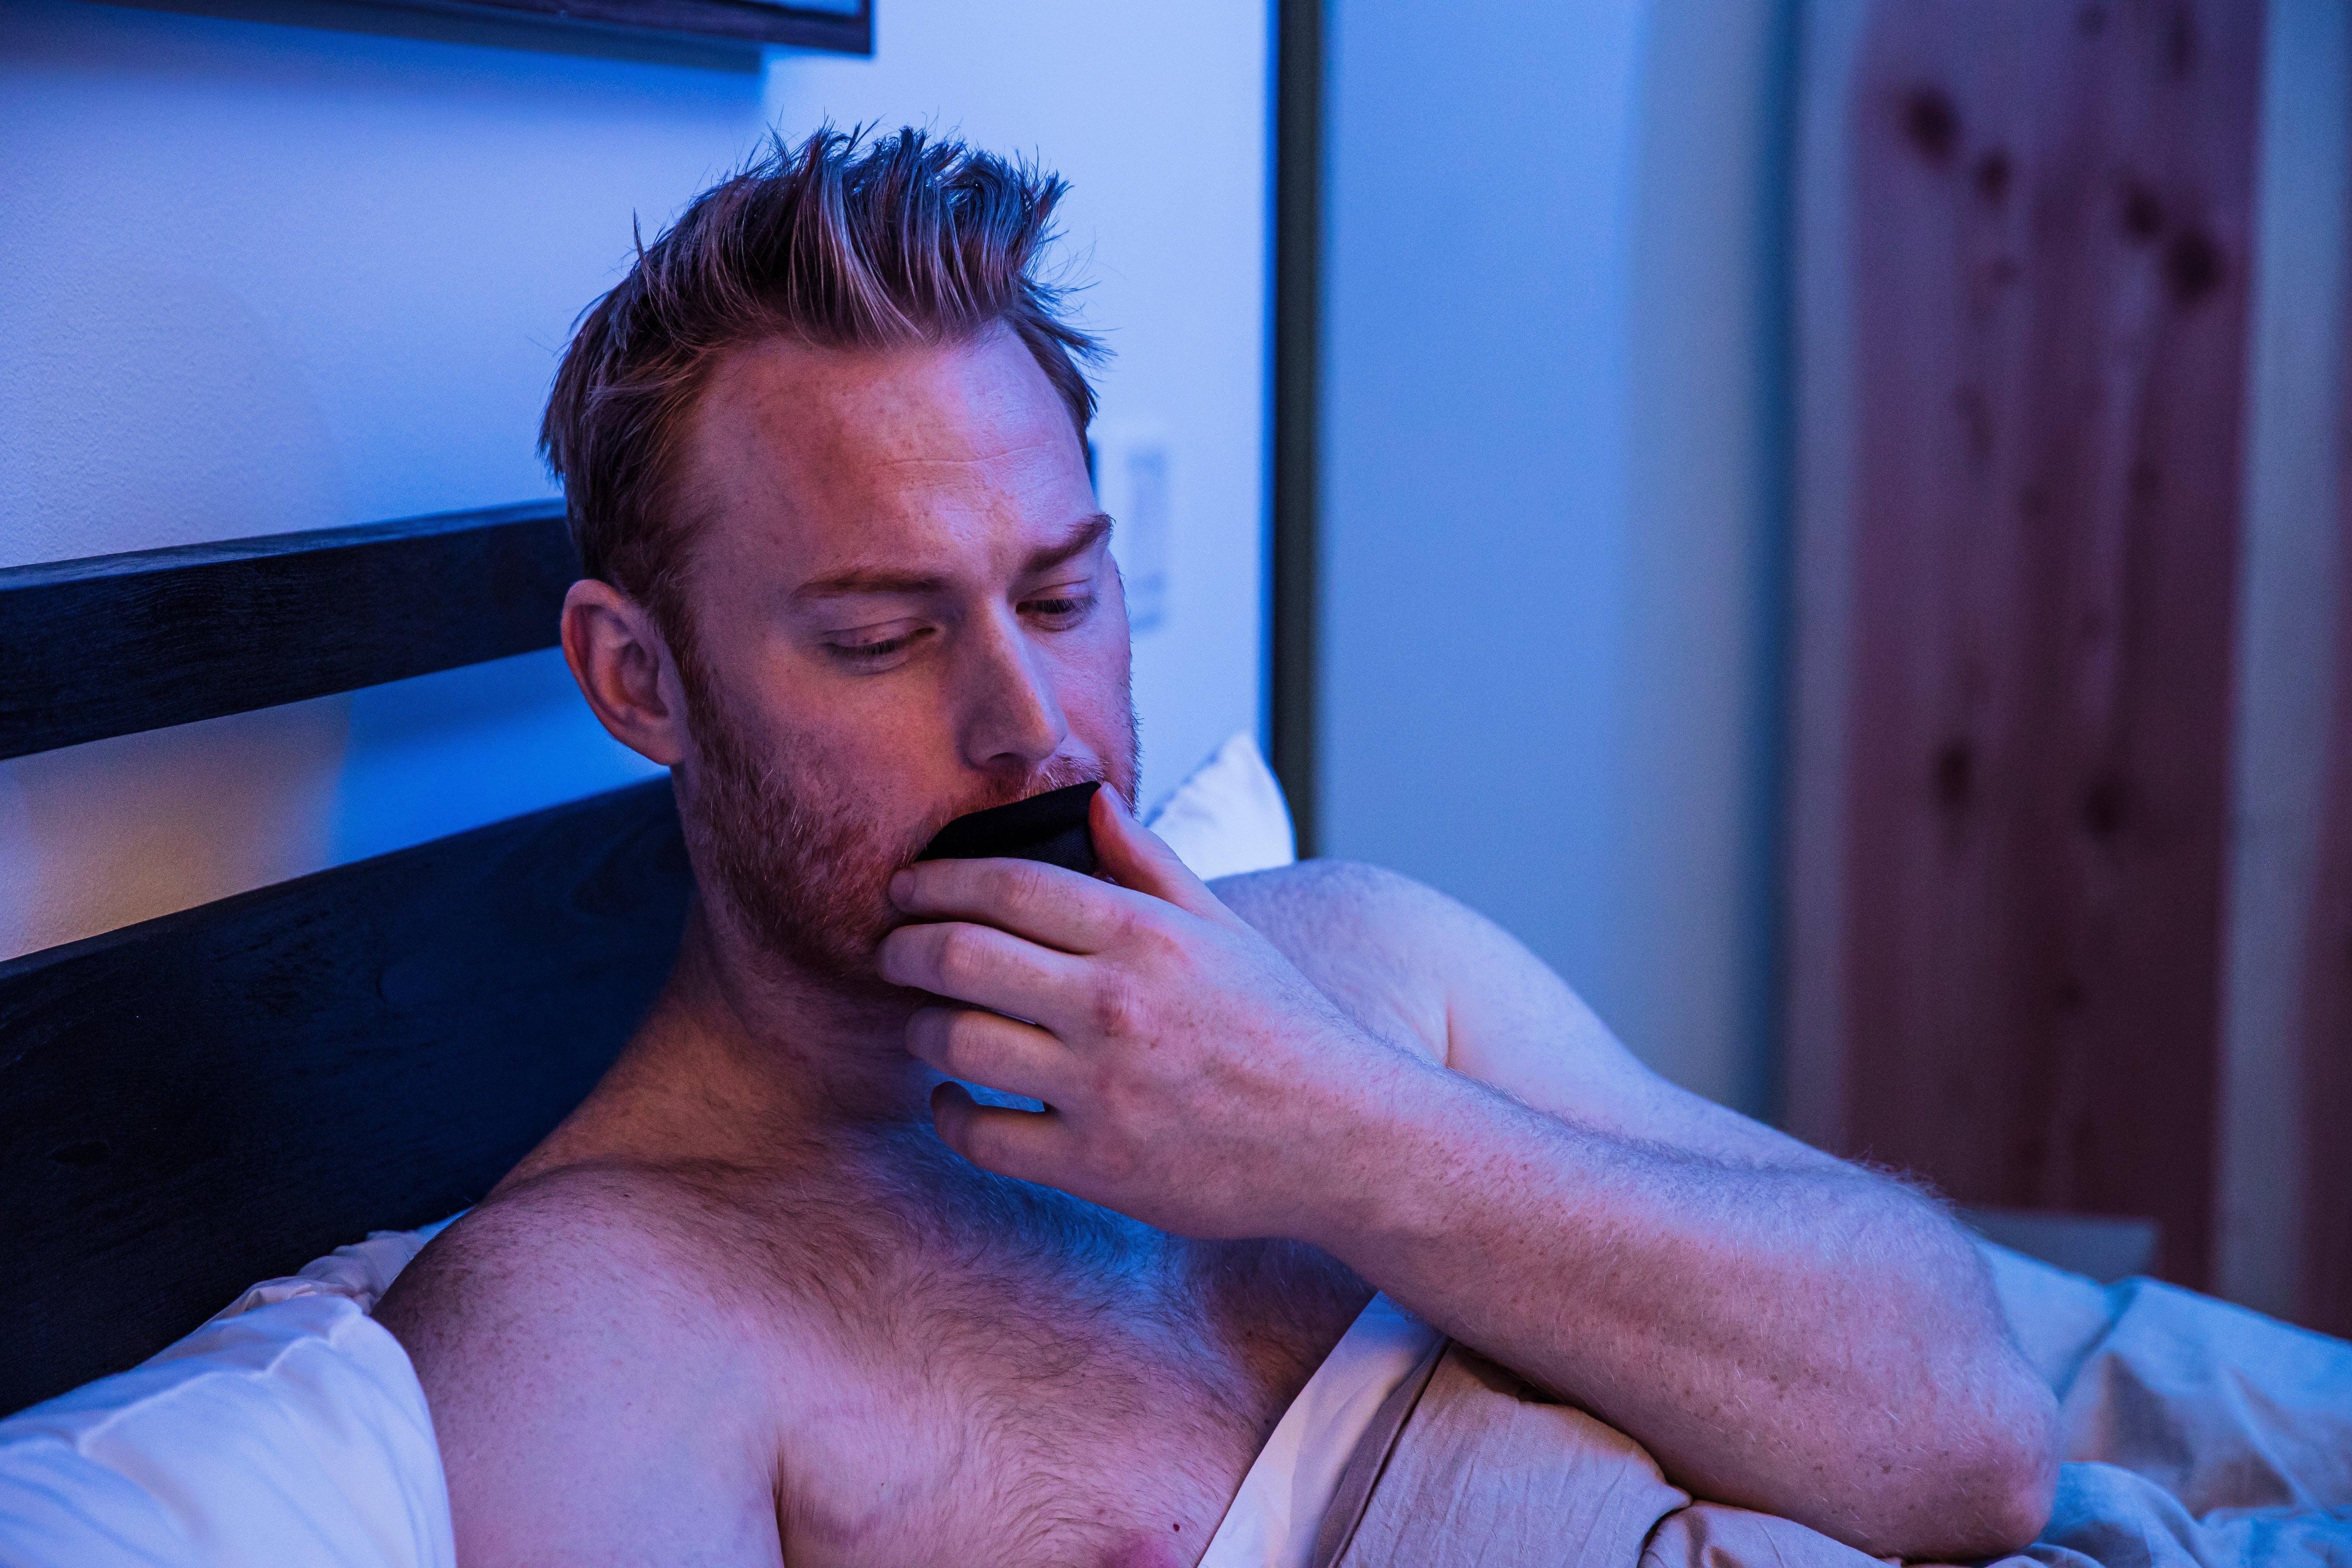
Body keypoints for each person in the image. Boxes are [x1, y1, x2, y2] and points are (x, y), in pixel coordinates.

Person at [374, 127, 2058, 1567]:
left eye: (1061, 593)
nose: (1028, 720)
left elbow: (1976, 1432)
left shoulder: (1353, 964)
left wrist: (1337, 1131)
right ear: (639, 679)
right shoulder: (596, 1329)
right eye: (884, 637)